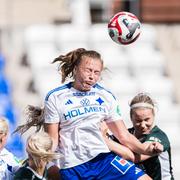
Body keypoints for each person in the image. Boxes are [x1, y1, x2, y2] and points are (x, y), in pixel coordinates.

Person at [43, 48, 163, 179]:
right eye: (88, 70)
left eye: (96, 72)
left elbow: (124, 136)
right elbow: (52, 139)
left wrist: (145, 149)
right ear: (75, 69)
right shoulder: (55, 97)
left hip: (104, 159)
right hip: (73, 166)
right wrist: (42, 158)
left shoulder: (106, 96)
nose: (92, 76)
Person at [102, 93, 174, 180]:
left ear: (153, 115)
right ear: (131, 117)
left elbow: (135, 157)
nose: (143, 125)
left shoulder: (159, 136)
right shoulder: (126, 135)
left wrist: (104, 139)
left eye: (147, 119)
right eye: (138, 120)